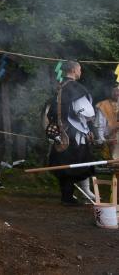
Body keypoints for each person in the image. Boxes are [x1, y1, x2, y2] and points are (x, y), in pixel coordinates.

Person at [47, 61, 96, 205]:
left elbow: (51, 112)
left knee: (65, 164)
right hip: (74, 135)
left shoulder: (60, 87)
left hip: (62, 133)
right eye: (79, 69)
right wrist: (89, 120)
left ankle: (67, 197)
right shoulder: (75, 87)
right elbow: (87, 112)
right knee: (76, 164)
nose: (81, 72)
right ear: (74, 70)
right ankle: (71, 197)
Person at [95, 85, 119, 159]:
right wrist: (102, 140)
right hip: (111, 140)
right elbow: (100, 125)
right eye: (115, 90)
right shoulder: (103, 105)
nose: (117, 93)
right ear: (111, 92)